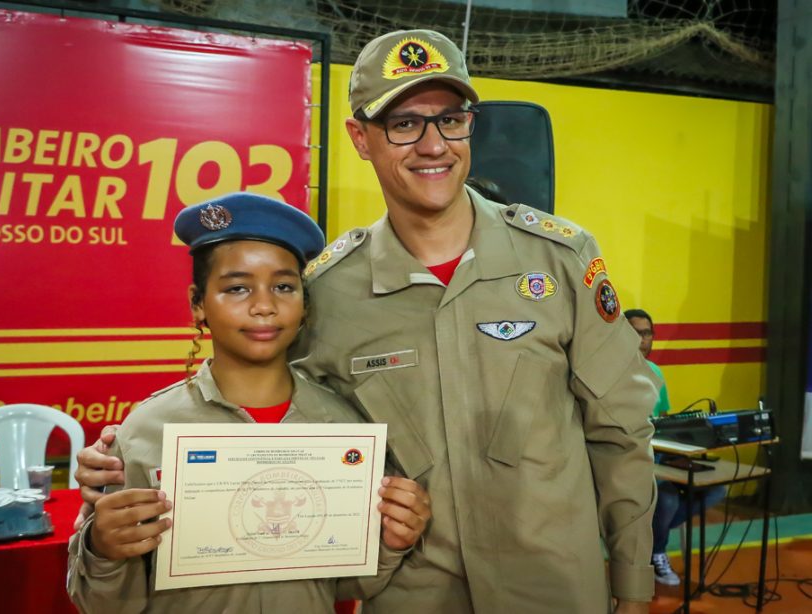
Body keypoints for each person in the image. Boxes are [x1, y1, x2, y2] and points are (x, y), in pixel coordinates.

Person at [76, 30, 659, 613]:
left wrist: (634, 587)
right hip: (411, 594)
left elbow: (620, 433)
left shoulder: (559, 258)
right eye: (404, 123)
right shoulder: (329, 291)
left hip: (552, 591)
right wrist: (130, 459)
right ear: (359, 137)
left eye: (450, 119)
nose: (433, 145)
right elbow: (265, 421)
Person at [66, 193, 431, 613]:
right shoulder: (145, 431)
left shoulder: (343, 427)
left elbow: (348, 583)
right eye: (237, 288)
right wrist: (104, 550)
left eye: (283, 286)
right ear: (197, 304)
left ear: (305, 305)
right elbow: (102, 603)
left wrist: (392, 540)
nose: (263, 306)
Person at [624, 308, 726, 586]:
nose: (643, 339)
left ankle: (650, 540)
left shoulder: (656, 372)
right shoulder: (611, 374)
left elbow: (665, 422)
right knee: (667, 498)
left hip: (661, 453)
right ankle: (656, 552)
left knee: (717, 489)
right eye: (635, 333)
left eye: (647, 333)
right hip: (628, 458)